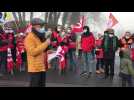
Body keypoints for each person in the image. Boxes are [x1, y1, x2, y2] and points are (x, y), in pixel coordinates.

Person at [24, 18, 50, 87]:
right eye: (40, 26)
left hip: (41, 67)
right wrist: (46, 43)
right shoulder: (29, 38)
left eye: (42, 26)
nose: (42, 28)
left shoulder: (39, 37)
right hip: (34, 69)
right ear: (34, 26)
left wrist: (46, 41)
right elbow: (33, 52)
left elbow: (43, 50)